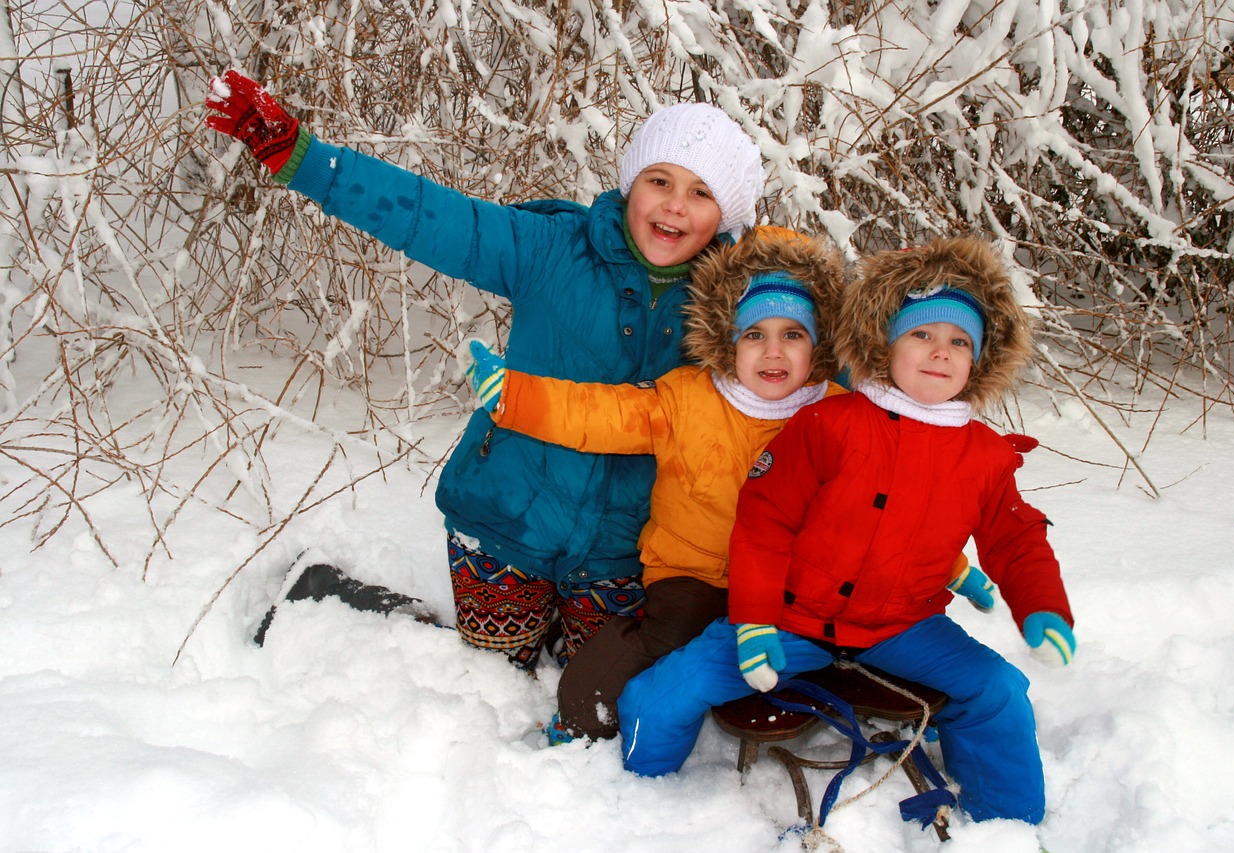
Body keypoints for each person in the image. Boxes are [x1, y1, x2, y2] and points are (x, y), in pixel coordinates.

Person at [205, 71, 766, 665]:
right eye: (660, 181)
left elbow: (806, 365)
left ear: (726, 217)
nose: (675, 205)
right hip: (508, 520)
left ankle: (560, 623)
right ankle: (332, 591)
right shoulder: (552, 247)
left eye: (701, 193)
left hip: (625, 548)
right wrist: (307, 161)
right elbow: (433, 218)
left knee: (603, 681)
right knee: (491, 668)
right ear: (631, 185)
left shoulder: (739, 305)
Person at [463, 227, 995, 742]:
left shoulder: (842, 413)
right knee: (669, 639)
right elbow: (597, 414)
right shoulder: (686, 398)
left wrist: (953, 568)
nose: (773, 353)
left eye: (794, 335)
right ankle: (584, 713)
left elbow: (889, 512)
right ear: (728, 339)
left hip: (794, 584)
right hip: (698, 574)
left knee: (833, 642)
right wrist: (515, 396)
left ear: (819, 345)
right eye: (755, 335)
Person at [615, 235, 1076, 826]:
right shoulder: (829, 423)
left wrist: (1044, 607)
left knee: (1000, 690)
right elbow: (765, 519)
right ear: (887, 343)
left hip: (903, 626)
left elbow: (1016, 538)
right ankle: (638, 804)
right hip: (792, 618)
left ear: (978, 360)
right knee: (663, 694)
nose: (941, 352)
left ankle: (1008, 825)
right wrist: (754, 618)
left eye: (959, 341)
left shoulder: (984, 456)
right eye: (922, 334)